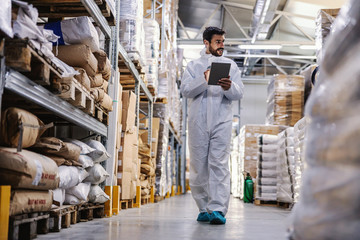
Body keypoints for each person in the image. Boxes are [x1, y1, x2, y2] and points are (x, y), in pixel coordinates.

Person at [180, 26, 244, 225]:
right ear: (206, 43)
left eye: (223, 41)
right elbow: (185, 91)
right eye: (218, 42)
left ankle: (217, 209)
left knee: (219, 164)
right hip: (198, 121)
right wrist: (204, 79)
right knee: (199, 165)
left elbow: (239, 93)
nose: (222, 45)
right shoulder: (193, 66)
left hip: (221, 121)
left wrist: (228, 86)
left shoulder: (231, 65)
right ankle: (203, 207)